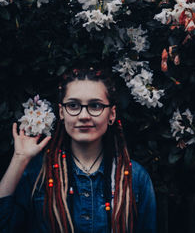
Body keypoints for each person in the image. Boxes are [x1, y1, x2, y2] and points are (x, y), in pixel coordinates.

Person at [0, 66, 157, 233]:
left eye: (95, 105)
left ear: (111, 114)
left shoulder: (136, 178)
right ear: (61, 112)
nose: (83, 116)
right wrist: (19, 158)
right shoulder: (37, 174)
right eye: (73, 105)